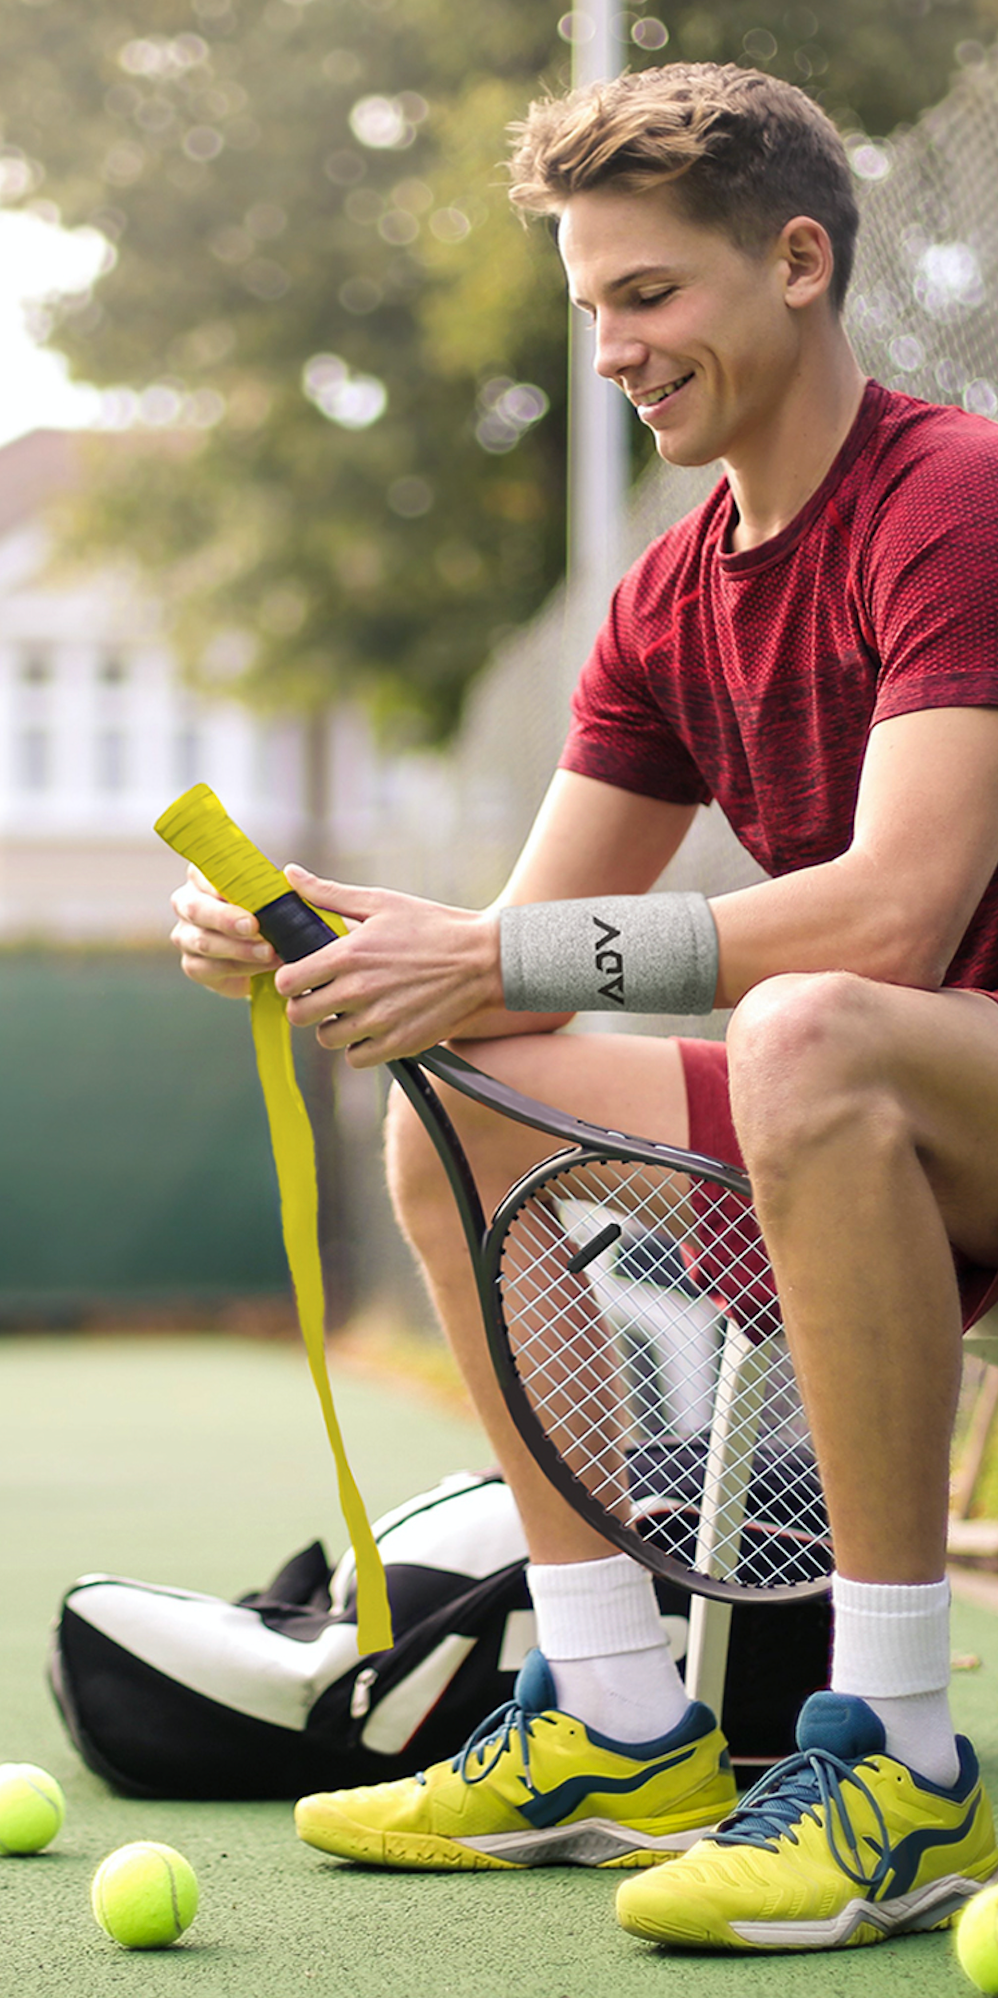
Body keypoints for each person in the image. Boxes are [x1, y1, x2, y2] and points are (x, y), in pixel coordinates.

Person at [170, 61, 998, 1953]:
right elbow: (516, 958)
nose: (614, 345)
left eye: (649, 294)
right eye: (592, 305)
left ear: (798, 261)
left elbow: (896, 909)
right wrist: (330, 945)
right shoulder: (660, 603)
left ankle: (902, 1754)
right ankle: (621, 1717)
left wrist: (483, 953)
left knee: (806, 1021)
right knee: (453, 1089)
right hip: (874, 1111)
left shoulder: (950, 497)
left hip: (937, 1073)